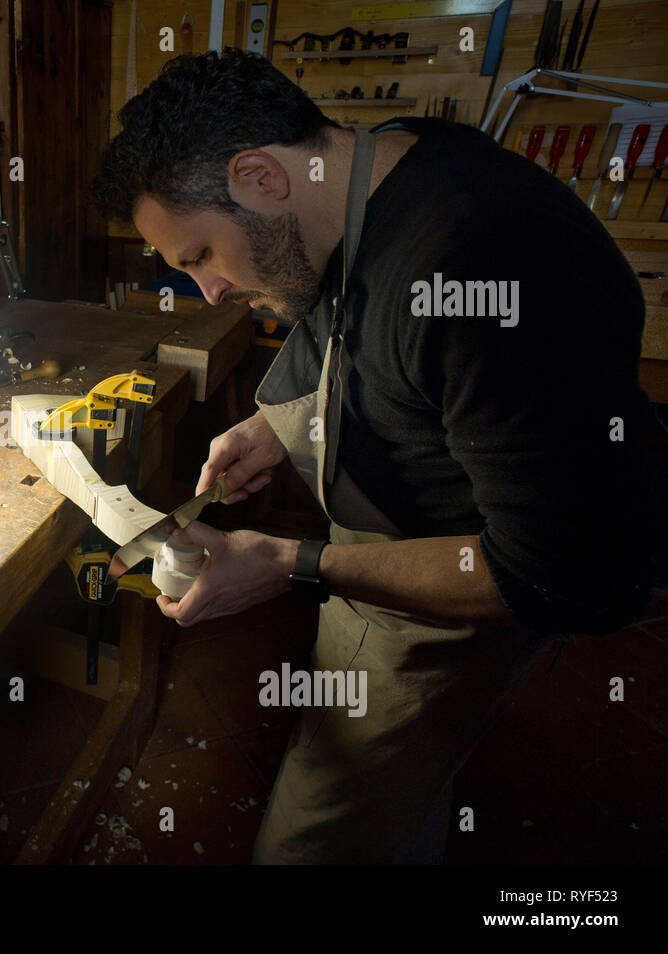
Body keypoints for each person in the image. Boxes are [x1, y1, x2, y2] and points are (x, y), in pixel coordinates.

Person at [90, 50, 668, 863]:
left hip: (460, 594)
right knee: (400, 808)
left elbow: (560, 578)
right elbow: (350, 320)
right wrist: (274, 430)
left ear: (259, 175)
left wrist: (292, 563)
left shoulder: (484, 266)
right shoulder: (376, 163)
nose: (209, 293)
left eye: (200, 257)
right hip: (395, 532)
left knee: (323, 835)